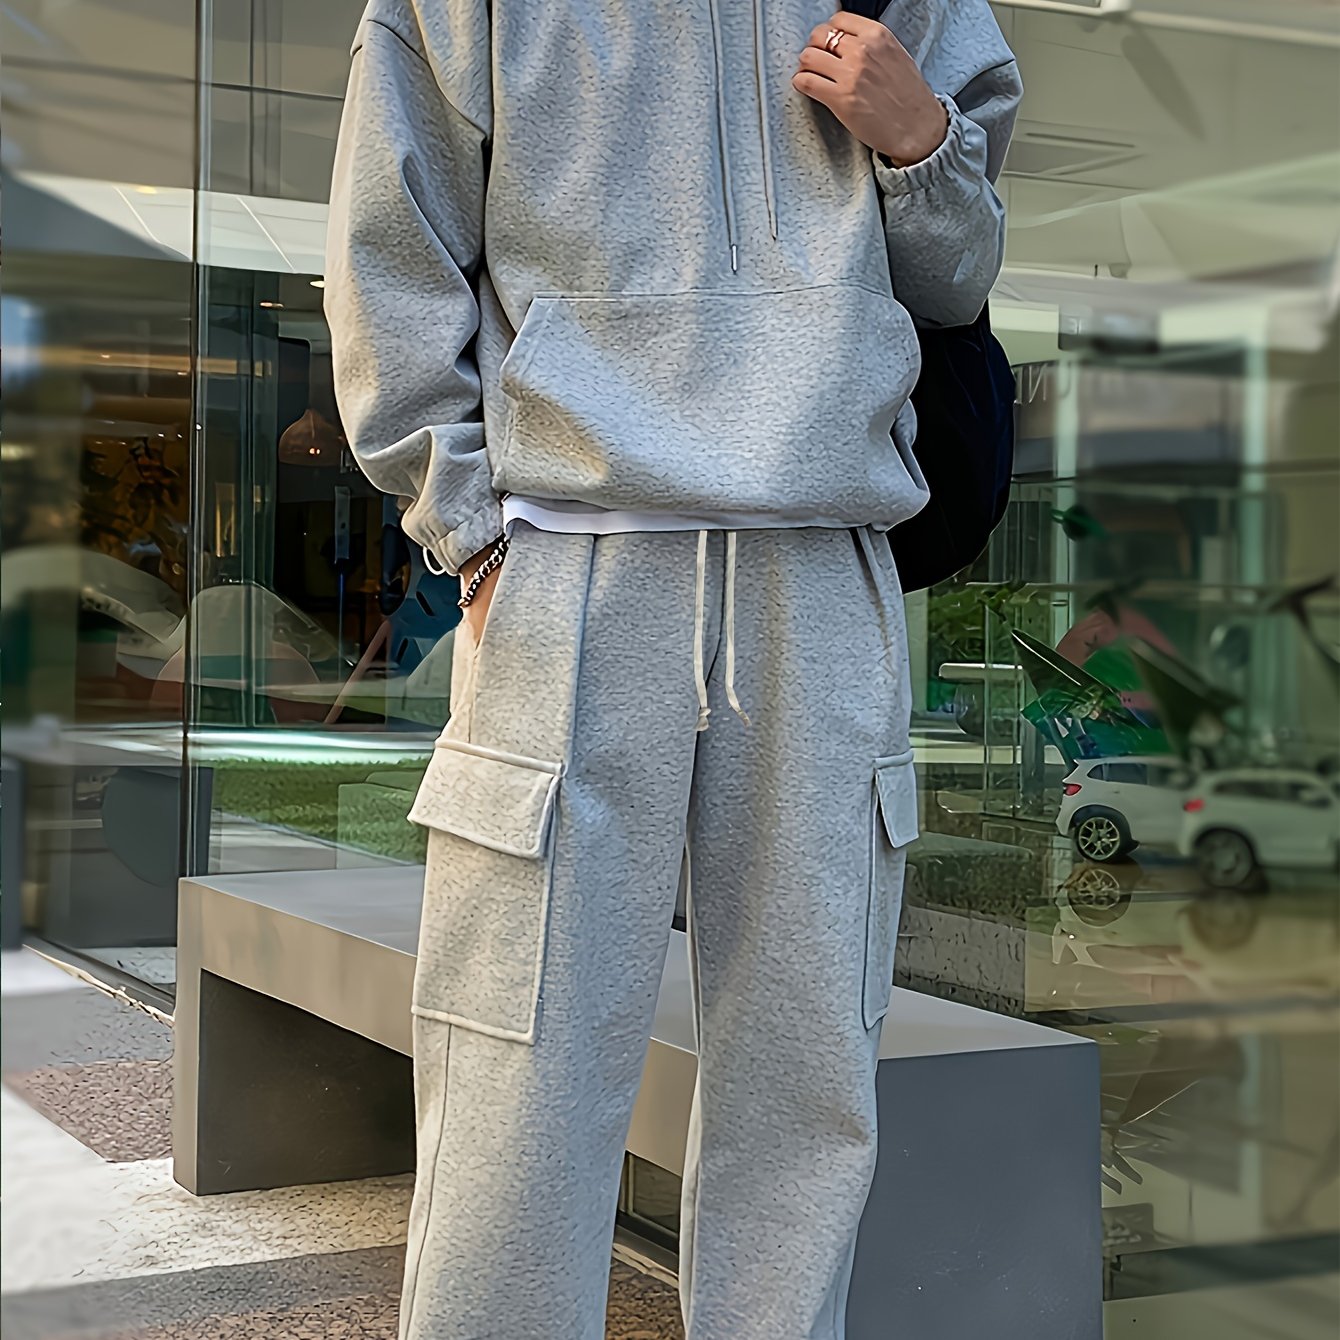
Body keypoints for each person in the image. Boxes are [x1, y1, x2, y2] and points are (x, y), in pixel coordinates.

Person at [325, 3, 1020, 1336]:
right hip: (572, 561)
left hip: (819, 565)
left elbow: (957, 279)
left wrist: (922, 145)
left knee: (807, 1086)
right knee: (515, 1077)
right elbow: (386, 250)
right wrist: (465, 521)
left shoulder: (923, 7)